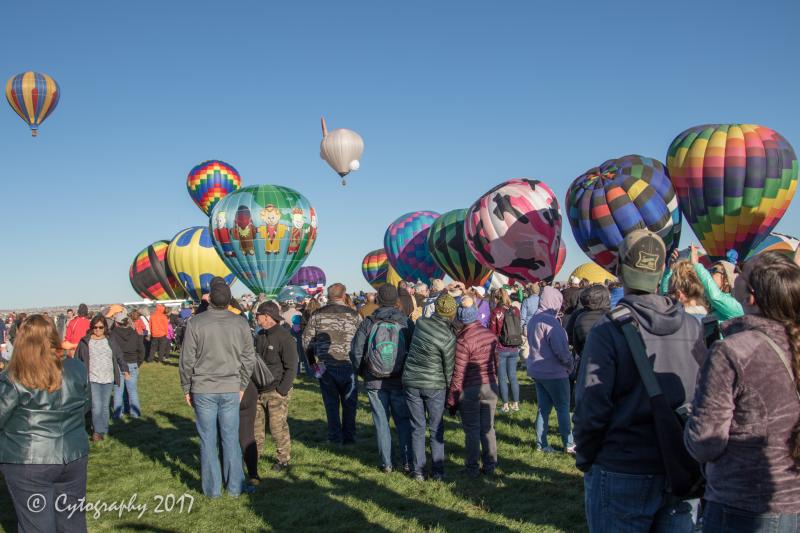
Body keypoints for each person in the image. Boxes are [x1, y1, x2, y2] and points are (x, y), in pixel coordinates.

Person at [574, 229, 705, 532]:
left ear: (619, 269)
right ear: (662, 270)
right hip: (681, 466)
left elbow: (591, 405)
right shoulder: (693, 327)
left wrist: (586, 457)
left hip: (622, 466)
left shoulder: (608, 330)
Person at [685, 251, 800, 530]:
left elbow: (706, 441)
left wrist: (690, 416)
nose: (734, 276)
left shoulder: (732, 351)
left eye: (742, 273)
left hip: (741, 503)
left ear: (751, 296)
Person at [0, 315, 91, 532]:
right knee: (72, 522)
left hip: (29, 460)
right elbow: (86, 405)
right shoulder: (76, 369)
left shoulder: (14, 377)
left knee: (38, 526)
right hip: (72, 455)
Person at [179, 278, 256, 498]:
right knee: (230, 438)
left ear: (210, 299)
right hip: (230, 386)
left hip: (204, 388)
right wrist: (241, 384)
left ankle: (212, 490)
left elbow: (186, 360)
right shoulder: (240, 322)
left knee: (207, 439)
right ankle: (234, 487)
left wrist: (187, 387)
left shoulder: (196, 322)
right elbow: (249, 358)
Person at [351, 285, 413, 473]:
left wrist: (364, 372)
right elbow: (415, 351)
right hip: (399, 378)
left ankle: (386, 463)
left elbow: (356, 352)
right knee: (403, 421)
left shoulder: (368, 322)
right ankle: (408, 460)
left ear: (377, 299)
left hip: (374, 379)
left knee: (381, 421)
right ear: (397, 300)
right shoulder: (406, 322)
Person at [402, 294, 457, 481]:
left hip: (412, 380)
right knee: (436, 429)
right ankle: (438, 471)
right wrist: (452, 394)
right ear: (452, 313)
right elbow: (449, 368)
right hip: (434, 384)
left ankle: (418, 471)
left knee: (417, 427)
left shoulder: (421, 324)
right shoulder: (448, 337)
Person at [302, 283, 362, 444]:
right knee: (350, 403)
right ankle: (349, 437)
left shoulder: (317, 315)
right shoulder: (354, 315)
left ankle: (335, 437)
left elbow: (306, 340)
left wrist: (311, 361)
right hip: (348, 364)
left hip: (325, 365)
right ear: (344, 295)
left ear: (329, 296)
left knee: (331, 404)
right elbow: (362, 341)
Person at [447, 301, 499, 477]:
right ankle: (490, 464)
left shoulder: (463, 340)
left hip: (471, 388)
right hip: (490, 385)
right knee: (488, 427)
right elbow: (496, 363)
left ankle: (472, 467)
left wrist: (452, 399)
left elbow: (458, 373)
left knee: (472, 429)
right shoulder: (490, 335)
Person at [527, 287, 575, 453]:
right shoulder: (550, 322)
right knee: (563, 408)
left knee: (543, 409)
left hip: (538, 371)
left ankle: (541, 443)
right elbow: (561, 350)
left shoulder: (534, 319)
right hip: (555, 372)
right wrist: (570, 365)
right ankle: (568, 443)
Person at [253, 301, 298, 472]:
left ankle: (283, 459)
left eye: (259, 315)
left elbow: (292, 366)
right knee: (255, 427)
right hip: (258, 390)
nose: (256, 318)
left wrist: (282, 391)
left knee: (277, 427)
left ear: (267, 317)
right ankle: (253, 457)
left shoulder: (284, 337)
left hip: (276, 390)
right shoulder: (259, 336)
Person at [74, 315, 127, 441]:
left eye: (100, 327)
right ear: (91, 327)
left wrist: (124, 368)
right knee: (96, 405)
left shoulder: (110, 340)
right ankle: (97, 432)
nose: (98, 330)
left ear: (105, 328)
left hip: (108, 377)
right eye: (95, 327)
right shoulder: (85, 341)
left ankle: (104, 429)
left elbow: (119, 354)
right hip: (93, 378)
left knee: (104, 406)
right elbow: (78, 358)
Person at [687, 244, 743, 321]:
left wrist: (696, 264)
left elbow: (715, 296)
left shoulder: (737, 306)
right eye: (709, 270)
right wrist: (668, 271)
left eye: (713, 271)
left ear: (727, 280)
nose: (709, 273)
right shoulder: (708, 302)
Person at [488, 288, 521, 413]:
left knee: (502, 378)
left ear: (496, 298)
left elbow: (493, 332)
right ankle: (516, 403)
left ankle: (505, 405)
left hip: (501, 347)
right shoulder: (516, 310)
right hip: (514, 346)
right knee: (513, 376)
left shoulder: (496, 311)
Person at [109, 311, 145, 419]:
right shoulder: (134, 333)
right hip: (132, 363)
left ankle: (118, 414)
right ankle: (135, 413)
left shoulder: (112, 335)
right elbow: (141, 350)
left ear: (116, 323)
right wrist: (138, 362)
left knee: (118, 390)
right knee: (132, 390)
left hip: (120, 364)